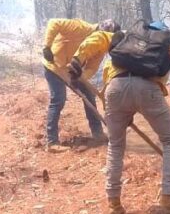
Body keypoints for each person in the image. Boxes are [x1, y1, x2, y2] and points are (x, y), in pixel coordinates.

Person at [102, 20, 170, 214]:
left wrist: (123, 111)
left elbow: (108, 74)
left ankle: (114, 202)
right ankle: (168, 196)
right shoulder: (164, 48)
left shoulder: (125, 43)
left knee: (115, 145)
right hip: (147, 89)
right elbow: (160, 78)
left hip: (115, 89)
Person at [40, 18, 117, 152]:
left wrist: (81, 77)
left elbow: (92, 67)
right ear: (99, 32)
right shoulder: (79, 27)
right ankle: (52, 142)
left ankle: (98, 134)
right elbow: (54, 23)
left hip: (72, 72)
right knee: (58, 99)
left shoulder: (102, 45)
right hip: (54, 66)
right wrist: (47, 46)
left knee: (89, 96)